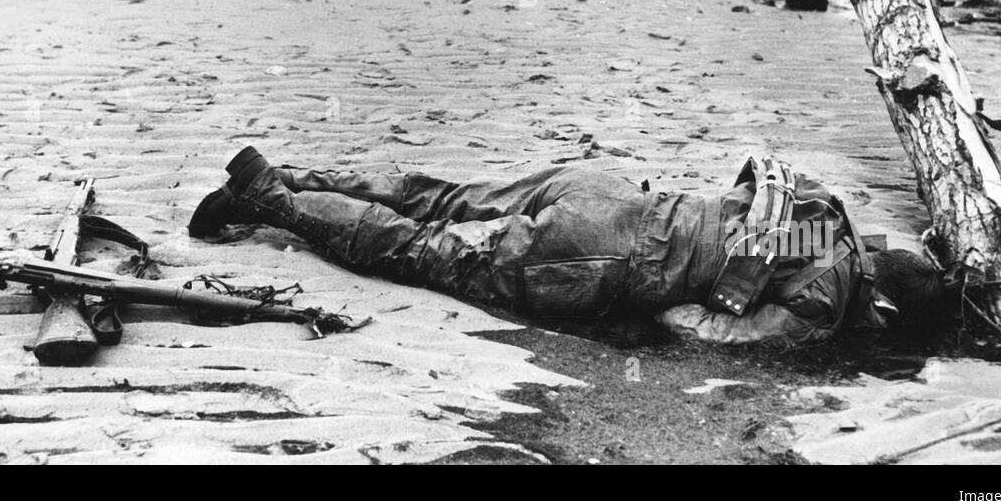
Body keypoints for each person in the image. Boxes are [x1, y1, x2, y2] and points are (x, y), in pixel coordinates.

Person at [188, 147, 952, 350]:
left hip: (606, 188)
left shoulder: (822, 205)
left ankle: (292, 170)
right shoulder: (824, 302)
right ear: (877, 301)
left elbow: (745, 185)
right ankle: (271, 197)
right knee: (422, 252)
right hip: (597, 260)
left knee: (445, 196)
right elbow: (702, 332)